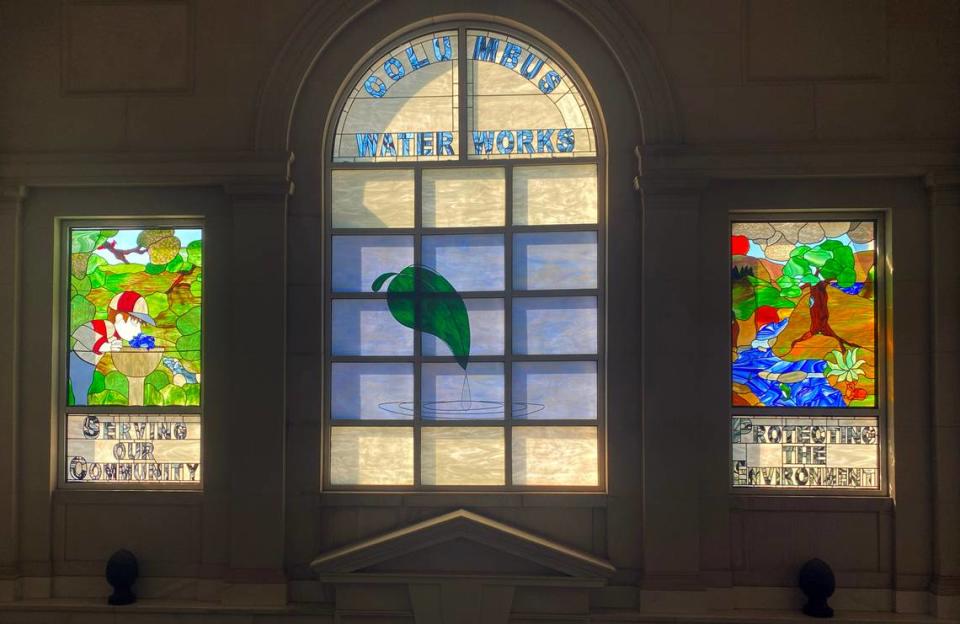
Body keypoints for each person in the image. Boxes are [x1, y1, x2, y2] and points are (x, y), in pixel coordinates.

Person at [732, 305, 844, 408]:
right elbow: (749, 386)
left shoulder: (757, 345)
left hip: (797, 362)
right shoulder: (738, 369)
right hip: (785, 375)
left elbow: (778, 334)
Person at [69, 291, 156, 405]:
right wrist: (105, 346)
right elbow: (80, 332)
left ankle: (81, 408)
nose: (139, 330)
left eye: (140, 325)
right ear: (119, 318)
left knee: (84, 386)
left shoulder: (117, 335)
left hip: (89, 364)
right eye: (136, 323)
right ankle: (80, 410)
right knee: (80, 387)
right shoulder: (105, 325)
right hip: (77, 361)